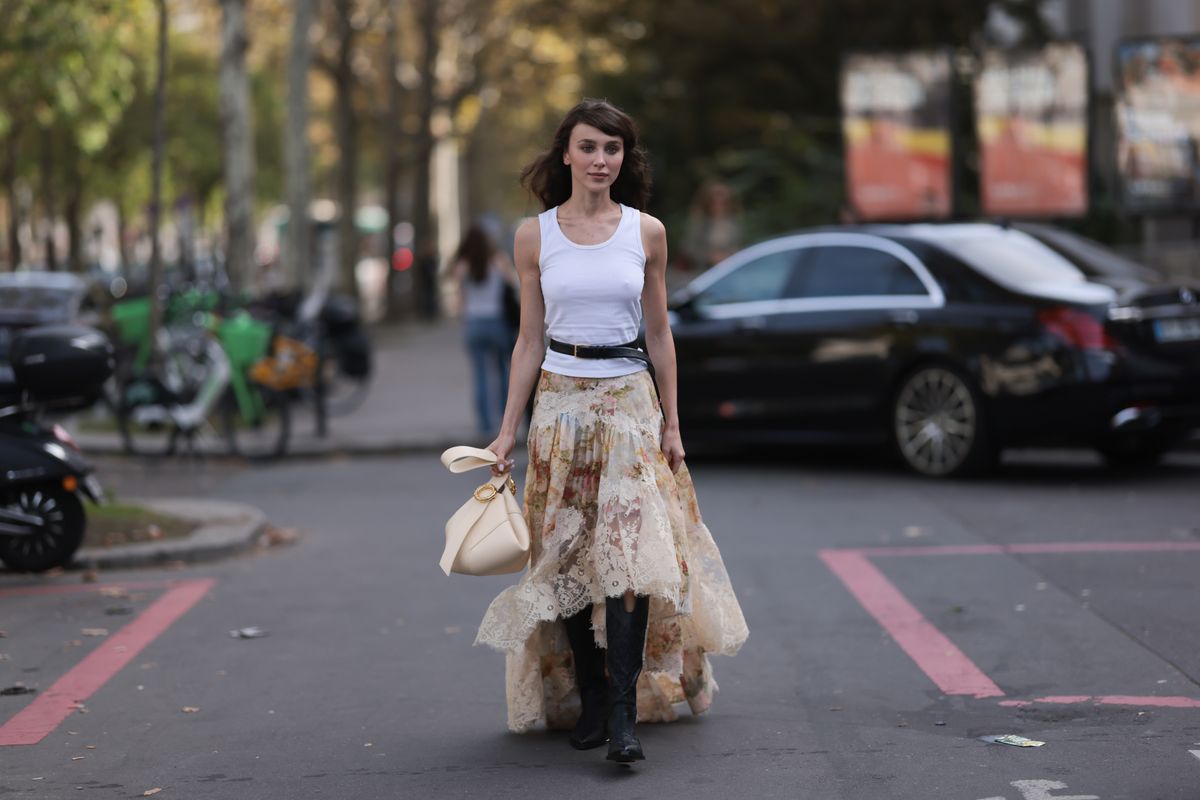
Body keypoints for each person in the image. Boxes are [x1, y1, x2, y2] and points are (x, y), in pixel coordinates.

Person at [474, 99, 748, 765]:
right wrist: (505, 430)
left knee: (627, 557)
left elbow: (659, 334)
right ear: (565, 153)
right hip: (561, 405)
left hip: (629, 404)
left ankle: (624, 714)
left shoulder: (646, 232)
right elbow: (528, 338)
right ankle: (592, 697)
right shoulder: (534, 235)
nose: (601, 160)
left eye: (613, 149)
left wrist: (674, 424)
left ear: (625, 159)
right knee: (565, 555)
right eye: (589, 147)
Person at [450, 224, 517, 435]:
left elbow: (459, 301)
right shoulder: (498, 261)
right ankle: (506, 421)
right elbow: (514, 284)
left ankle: (485, 424)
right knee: (504, 373)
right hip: (497, 322)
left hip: (474, 324)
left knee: (480, 375)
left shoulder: (462, 266)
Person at [680, 180, 742, 272]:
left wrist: (727, 256)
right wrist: (710, 256)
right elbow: (688, 248)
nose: (718, 206)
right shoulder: (699, 222)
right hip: (702, 271)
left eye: (723, 203)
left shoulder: (733, 223)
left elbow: (738, 247)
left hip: (727, 270)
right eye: (714, 202)